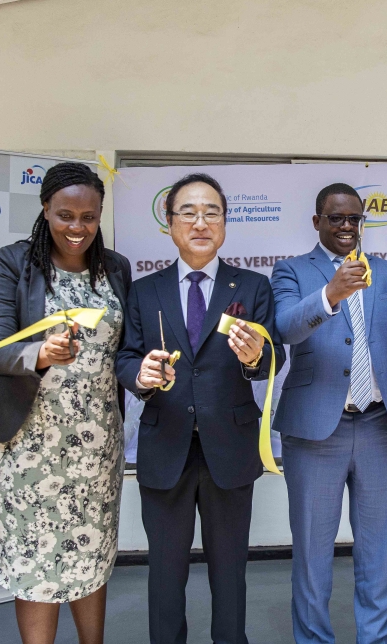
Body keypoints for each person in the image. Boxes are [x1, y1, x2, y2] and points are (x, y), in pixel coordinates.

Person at [270, 183, 387, 644]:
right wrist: (330, 294)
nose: (347, 227)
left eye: (354, 219)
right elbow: (285, 328)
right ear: (317, 222)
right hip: (314, 432)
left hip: (379, 427)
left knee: (377, 553)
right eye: (336, 219)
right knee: (312, 555)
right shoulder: (290, 271)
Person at [117, 172, 285, 644]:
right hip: (164, 444)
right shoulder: (144, 290)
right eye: (188, 212)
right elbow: (126, 356)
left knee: (229, 573)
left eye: (212, 212)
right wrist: (139, 375)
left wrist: (256, 358)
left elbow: (274, 354)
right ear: (169, 223)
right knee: (164, 576)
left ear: (226, 223)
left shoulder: (252, 286)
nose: (200, 222)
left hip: (229, 449)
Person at [0, 162, 131, 644]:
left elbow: (125, 348)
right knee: (34, 560)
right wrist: (38, 354)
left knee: (91, 554)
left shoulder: (116, 268)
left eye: (89, 216)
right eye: (65, 215)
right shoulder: (16, 263)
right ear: (45, 210)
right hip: (30, 444)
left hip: (97, 444)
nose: (77, 228)